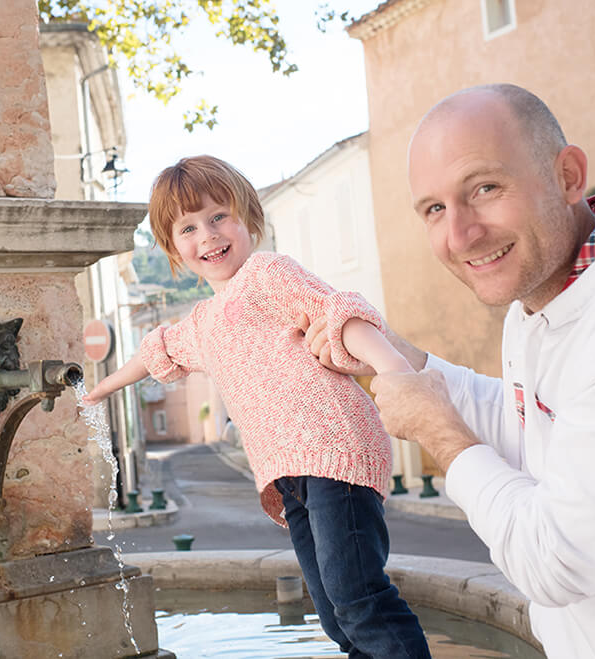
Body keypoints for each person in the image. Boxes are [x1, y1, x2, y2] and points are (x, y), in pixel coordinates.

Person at [302, 84, 595, 658]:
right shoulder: (550, 293)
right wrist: (404, 361)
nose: (460, 235)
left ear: (569, 176)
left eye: (485, 188)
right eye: (434, 209)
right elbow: (535, 420)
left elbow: (559, 563)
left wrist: (439, 434)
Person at [83, 155, 431, 658]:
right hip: (288, 471)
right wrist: (99, 389)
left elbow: (338, 313)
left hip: (334, 450)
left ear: (246, 217)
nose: (208, 235)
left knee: (359, 599)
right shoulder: (203, 322)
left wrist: (391, 367)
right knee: (335, 614)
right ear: (173, 249)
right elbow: (154, 351)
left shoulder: (269, 273)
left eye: (218, 217)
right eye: (189, 228)